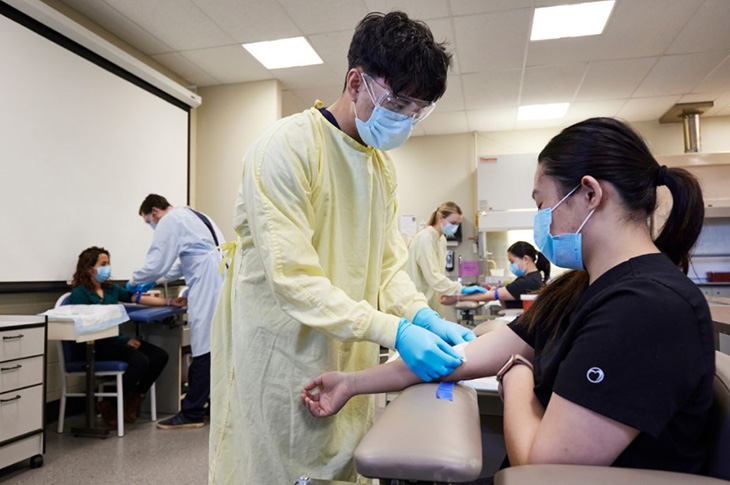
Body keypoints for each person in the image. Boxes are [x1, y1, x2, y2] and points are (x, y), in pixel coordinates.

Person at [303, 117, 714, 476]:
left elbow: (543, 467)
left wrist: (516, 373)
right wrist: (353, 382)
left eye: (542, 203)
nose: (540, 220)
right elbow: (462, 359)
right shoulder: (579, 288)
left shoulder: (647, 308)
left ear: (590, 193)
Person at [209, 11, 475, 484]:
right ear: (356, 82)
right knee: (282, 465)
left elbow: (388, 268)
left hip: (349, 347)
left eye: (418, 111)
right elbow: (294, 280)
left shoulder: (380, 168)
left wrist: (420, 315)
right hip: (282, 351)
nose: (407, 121)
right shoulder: (285, 148)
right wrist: (395, 332)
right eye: (400, 104)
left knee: (350, 461)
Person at [127, 194, 225, 430]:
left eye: (148, 221)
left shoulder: (170, 221)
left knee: (203, 345)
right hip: (220, 277)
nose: (152, 226)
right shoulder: (195, 215)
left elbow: (156, 262)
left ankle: (192, 412)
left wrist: (134, 281)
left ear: (155, 211)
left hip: (207, 282)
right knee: (218, 345)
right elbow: (182, 263)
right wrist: (157, 279)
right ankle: (214, 406)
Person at [69, 246, 181, 428]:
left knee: (160, 356)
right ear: (89, 269)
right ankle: (111, 404)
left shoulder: (111, 289)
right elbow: (87, 326)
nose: (107, 268)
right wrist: (124, 341)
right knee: (141, 360)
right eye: (103, 264)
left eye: (108, 263)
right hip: (94, 345)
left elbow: (136, 298)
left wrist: (169, 302)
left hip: (115, 341)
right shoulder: (79, 294)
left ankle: (135, 397)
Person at [406, 202, 487, 314]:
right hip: (419, 300)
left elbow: (440, 273)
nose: (455, 227)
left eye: (458, 224)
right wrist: (460, 289)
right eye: (453, 223)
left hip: (432, 301)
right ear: (440, 218)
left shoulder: (441, 239)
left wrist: (449, 290)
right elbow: (432, 275)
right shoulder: (424, 238)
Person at [440, 241, 550, 309]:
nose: (511, 266)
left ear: (525, 259)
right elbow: (508, 291)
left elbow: (489, 296)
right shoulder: (534, 278)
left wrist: (456, 298)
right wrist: (496, 288)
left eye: (512, 262)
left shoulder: (527, 282)